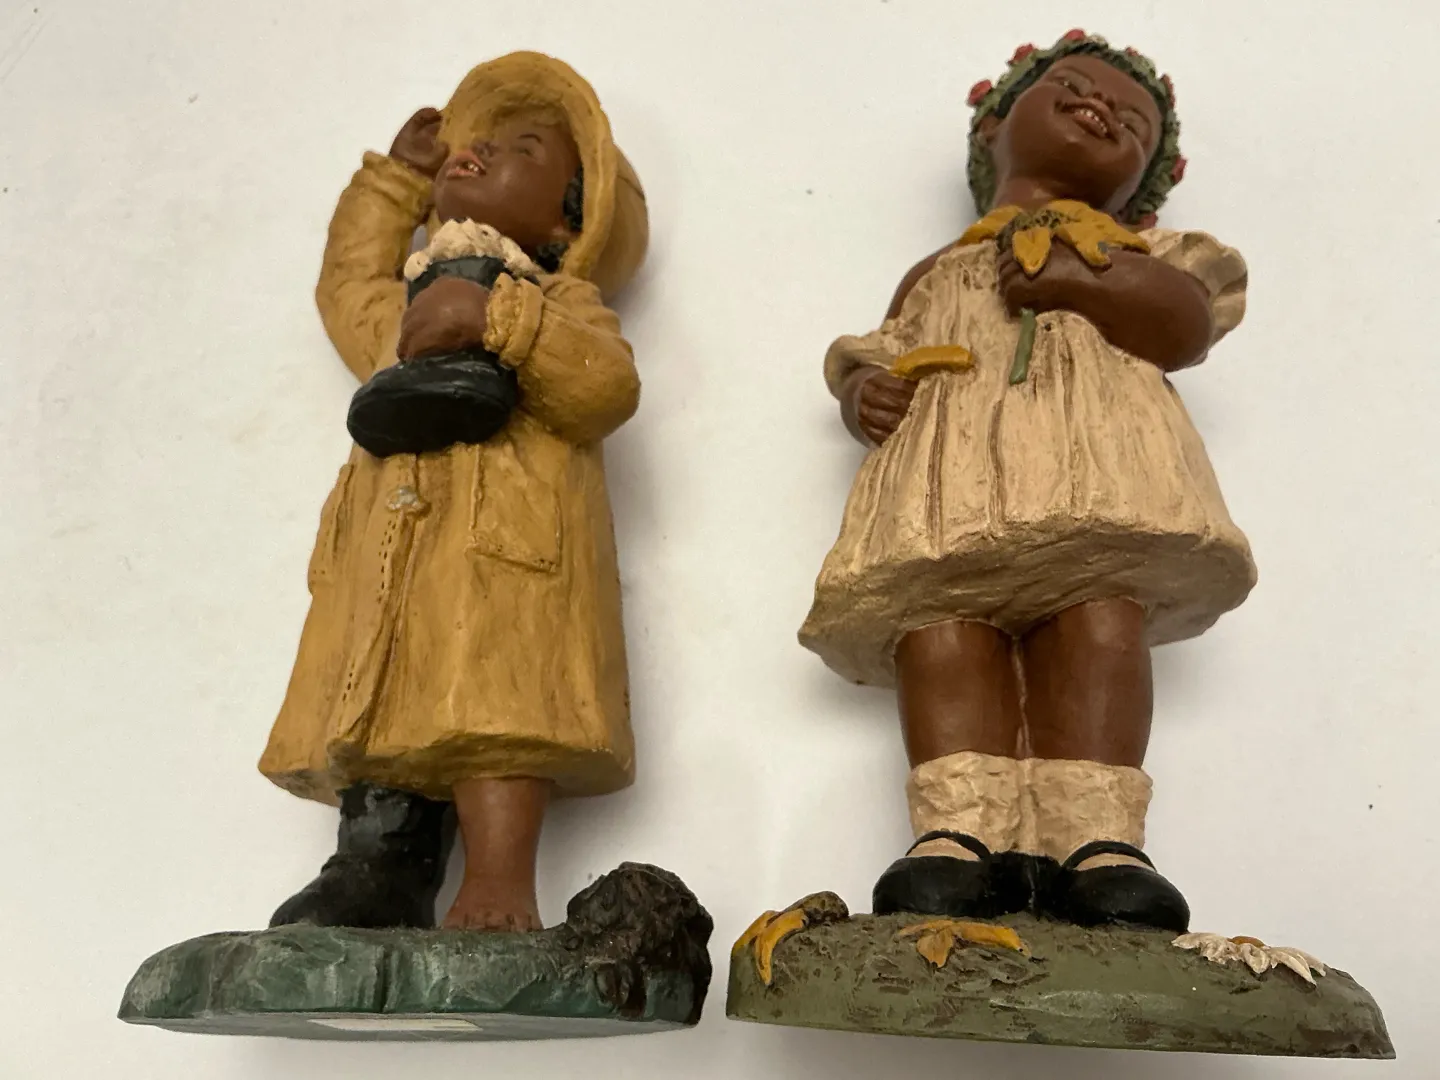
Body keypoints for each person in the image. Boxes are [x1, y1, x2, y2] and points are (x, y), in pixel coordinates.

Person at [800, 31, 1251, 932]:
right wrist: (864, 393)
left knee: (1097, 626)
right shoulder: (939, 269)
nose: (1100, 109)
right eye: (1074, 88)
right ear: (995, 123)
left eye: (1131, 122)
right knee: (942, 633)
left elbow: (1183, 325)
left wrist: (1092, 278)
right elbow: (882, 348)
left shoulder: (1145, 249)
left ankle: (1096, 839)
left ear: (1145, 180)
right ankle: (960, 832)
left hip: (1095, 470)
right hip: (953, 482)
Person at [258, 52, 649, 931]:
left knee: (496, 712)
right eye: (477, 145)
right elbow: (346, 288)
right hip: (389, 560)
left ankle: (499, 884)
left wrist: (498, 318)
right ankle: (377, 871)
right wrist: (395, 183)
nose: (478, 152)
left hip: (506, 557)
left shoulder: (559, 298)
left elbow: (604, 387)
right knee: (379, 702)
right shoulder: (407, 309)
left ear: (567, 221)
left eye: (521, 150)